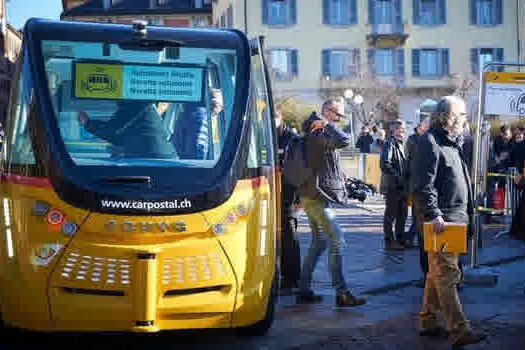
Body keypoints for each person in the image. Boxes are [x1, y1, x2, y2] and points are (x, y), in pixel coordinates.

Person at [415, 95, 487, 347]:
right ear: (449, 117)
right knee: (447, 274)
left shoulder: (452, 142)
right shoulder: (431, 142)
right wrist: (433, 213)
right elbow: (423, 183)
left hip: (455, 217)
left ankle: (427, 320)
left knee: (437, 274)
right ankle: (459, 329)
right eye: (463, 115)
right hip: (443, 219)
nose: (466, 120)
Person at [296, 99, 366, 307]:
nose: (339, 120)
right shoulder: (319, 130)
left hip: (313, 194)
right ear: (327, 112)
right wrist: (327, 125)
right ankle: (342, 293)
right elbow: (344, 141)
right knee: (338, 240)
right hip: (315, 196)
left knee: (319, 242)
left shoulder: (318, 130)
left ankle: (304, 289)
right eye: (337, 115)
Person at [77, 100, 175, 158]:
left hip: (155, 161)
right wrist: (123, 148)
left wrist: (87, 123)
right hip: (156, 159)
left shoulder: (136, 104)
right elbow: (122, 133)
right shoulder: (142, 107)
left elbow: (112, 130)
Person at [406, 100, 436, 283]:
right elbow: (409, 166)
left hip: (424, 193)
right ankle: (427, 275)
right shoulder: (414, 141)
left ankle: (430, 275)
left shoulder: (431, 140)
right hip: (418, 192)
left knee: (427, 236)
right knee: (422, 236)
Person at [275, 107, 301, 293]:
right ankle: (283, 274)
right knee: (279, 234)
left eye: (273, 117)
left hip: (289, 194)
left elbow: (299, 169)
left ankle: (293, 277)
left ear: (280, 117)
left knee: (289, 233)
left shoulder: (292, 138)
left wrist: (299, 200)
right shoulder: (268, 134)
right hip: (273, 192)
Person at [171, 89, 224, 160]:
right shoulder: (201, 117)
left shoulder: (187, 113)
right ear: (213, 103)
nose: (221, 108)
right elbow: (198, 150)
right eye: (220, 105)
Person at [380, 119, 407, 251]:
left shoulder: (400, 144)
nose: (403, 132)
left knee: (402, 214)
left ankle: (400, 239)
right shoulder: (389, 143)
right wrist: (398, 176)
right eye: (401, 129)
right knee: (390, 215)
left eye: (403, 130)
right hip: (392, 187)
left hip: (401, 186)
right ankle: (389, 241)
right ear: (394, 130)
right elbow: (385, 164)